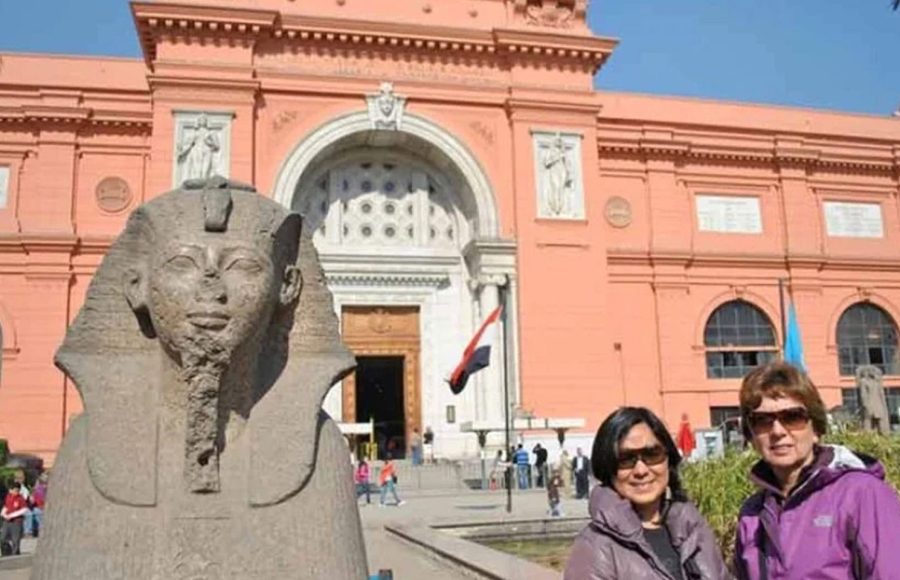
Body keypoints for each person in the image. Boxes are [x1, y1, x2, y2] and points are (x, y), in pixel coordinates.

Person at [733, 362, 900, 579]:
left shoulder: (861, 494)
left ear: (816, 429)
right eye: (762, 421)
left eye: (792, 417)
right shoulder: (753, 514)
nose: (777, 431)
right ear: (751, 435)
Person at [565, 406, 729, 580]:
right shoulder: (595, 547)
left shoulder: (692, 527)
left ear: (668, 459)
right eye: (626, 459)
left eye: (652, 455)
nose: (641, 470)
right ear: (608, 468)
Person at [1, 482, 28, 556]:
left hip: (16, 521)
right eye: (15, 490)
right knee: (3, 538)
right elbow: (6, 506)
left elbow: (24, 509)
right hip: (7, 520)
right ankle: (6, 552)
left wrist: (12, 515)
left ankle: (15, 553)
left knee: (15, 539)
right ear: (10, 490)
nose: (16, 492)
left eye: (18, 490)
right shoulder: (8, 496)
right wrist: (3, 513)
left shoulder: (20, 498)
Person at [24, 472, 47, 538]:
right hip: (38, 507)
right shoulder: (38, 490)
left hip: (41, 507)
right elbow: (36, 501)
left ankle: (39, 529)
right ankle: (31, 531)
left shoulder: (43, 489)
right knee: (37, 512)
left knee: (38, 512)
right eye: (44, 483)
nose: (45, 485)